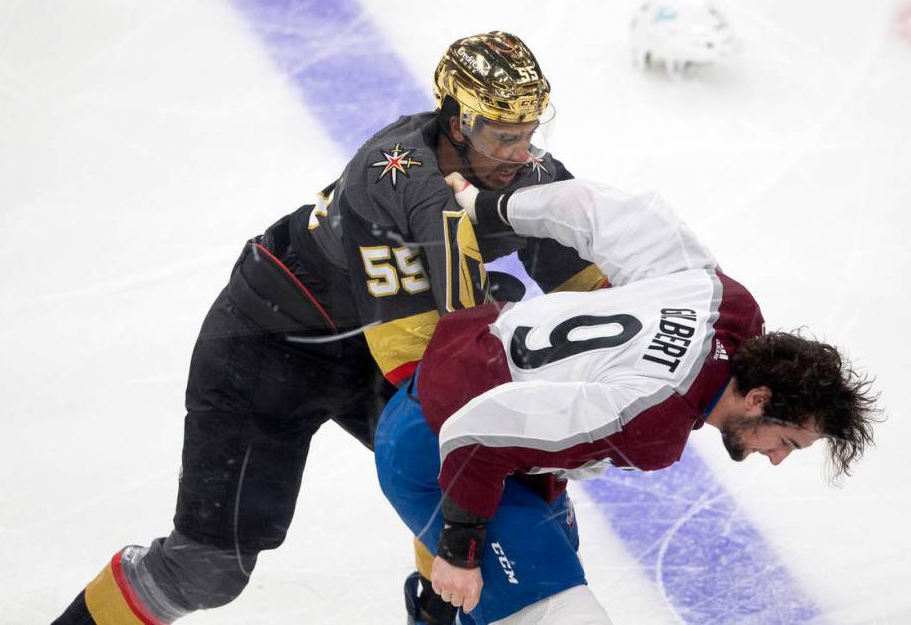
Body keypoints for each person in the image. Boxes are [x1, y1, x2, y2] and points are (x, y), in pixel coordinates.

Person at [53, 32, 608, 625]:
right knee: (208, 568)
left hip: (370, 343)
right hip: (269, 350)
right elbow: (426, 375)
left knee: (497, 489)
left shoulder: (524, 173)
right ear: (457, 122)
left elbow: (601, 294)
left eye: (530, 132)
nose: (524, 154)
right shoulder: (393, 179)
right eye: (505, 136)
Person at [375, 175, 881, 625]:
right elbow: (478, 429)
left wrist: (485, 207)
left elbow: (595, 208)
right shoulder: (652, 422)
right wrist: (459, 549)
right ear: (757, 398)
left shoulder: (725, 303)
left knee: (537, 583)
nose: (775, 458)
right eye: (787, 441)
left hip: (472, 407)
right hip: (441, 448)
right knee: (558, 610)